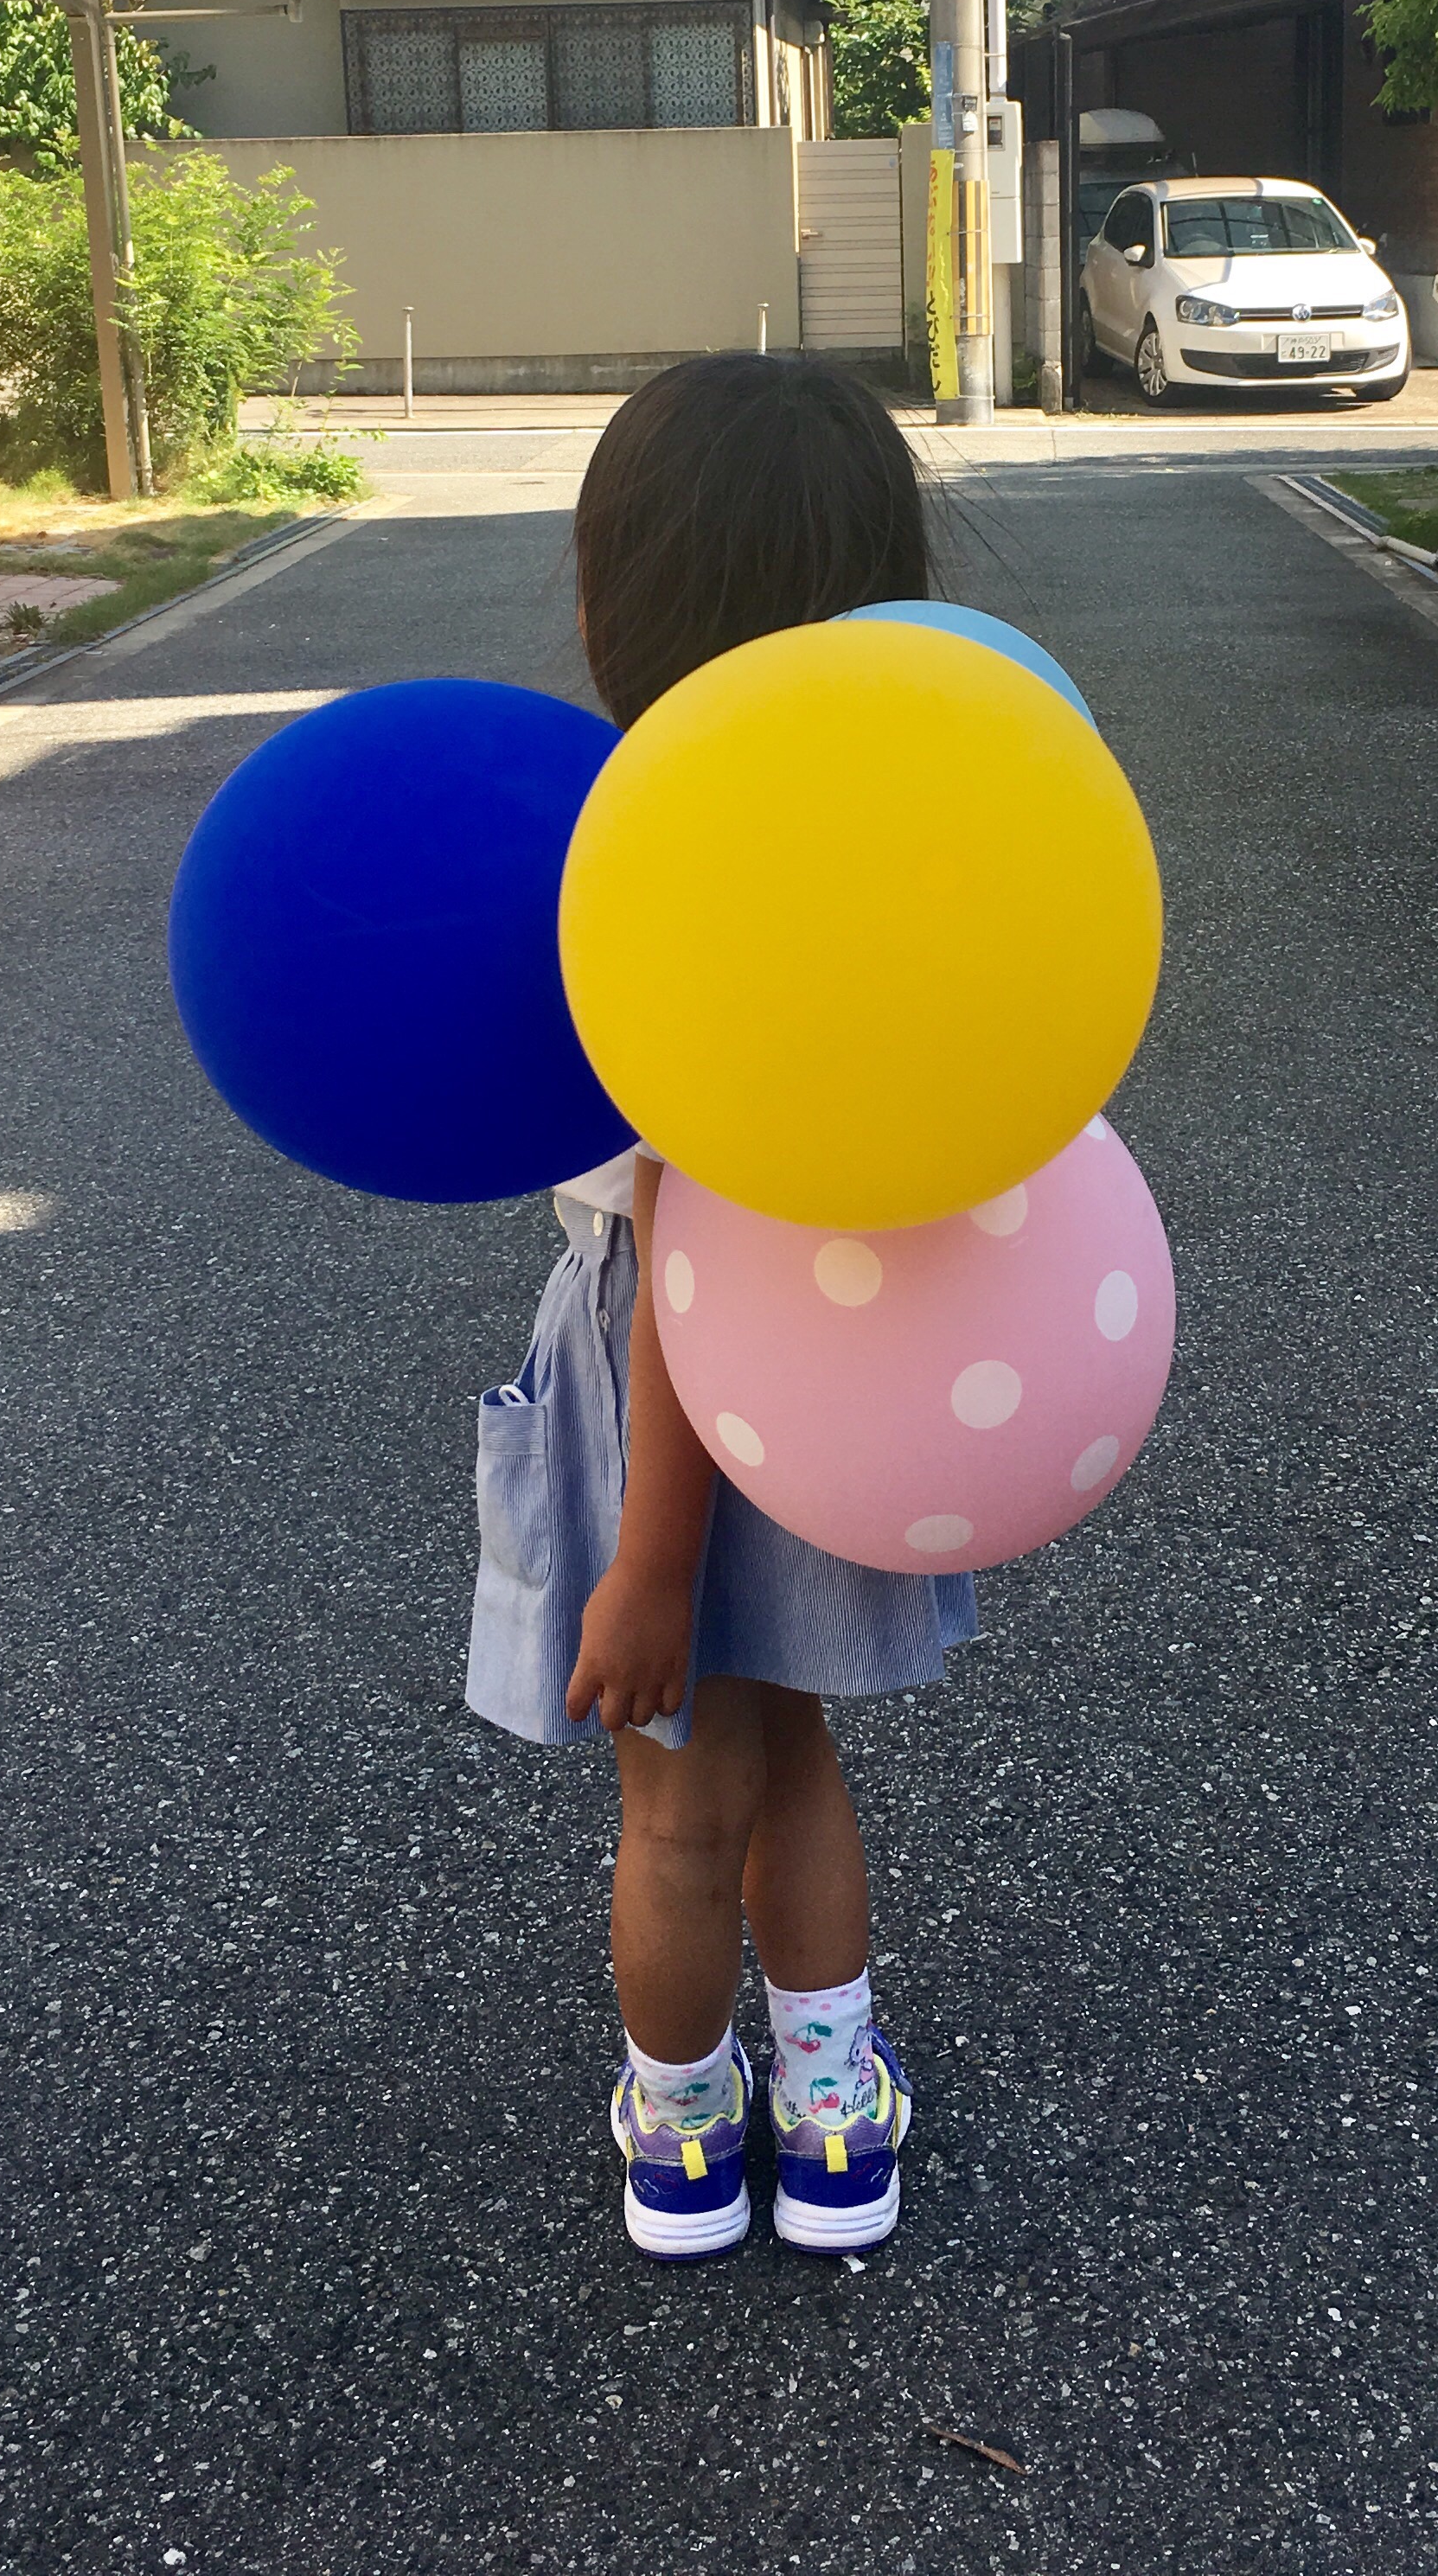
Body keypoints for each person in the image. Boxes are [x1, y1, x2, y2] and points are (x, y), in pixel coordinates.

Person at [467, 355, 976, 2261]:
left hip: (666, 1376)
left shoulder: (645, 854)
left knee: (680, 1804)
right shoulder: (890, 834)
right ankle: (834, 2130)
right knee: (796, 1753)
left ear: (616, 599)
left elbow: (687, 1228)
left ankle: (684, 2139)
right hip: (838, 1347)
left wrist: (652, 1565)